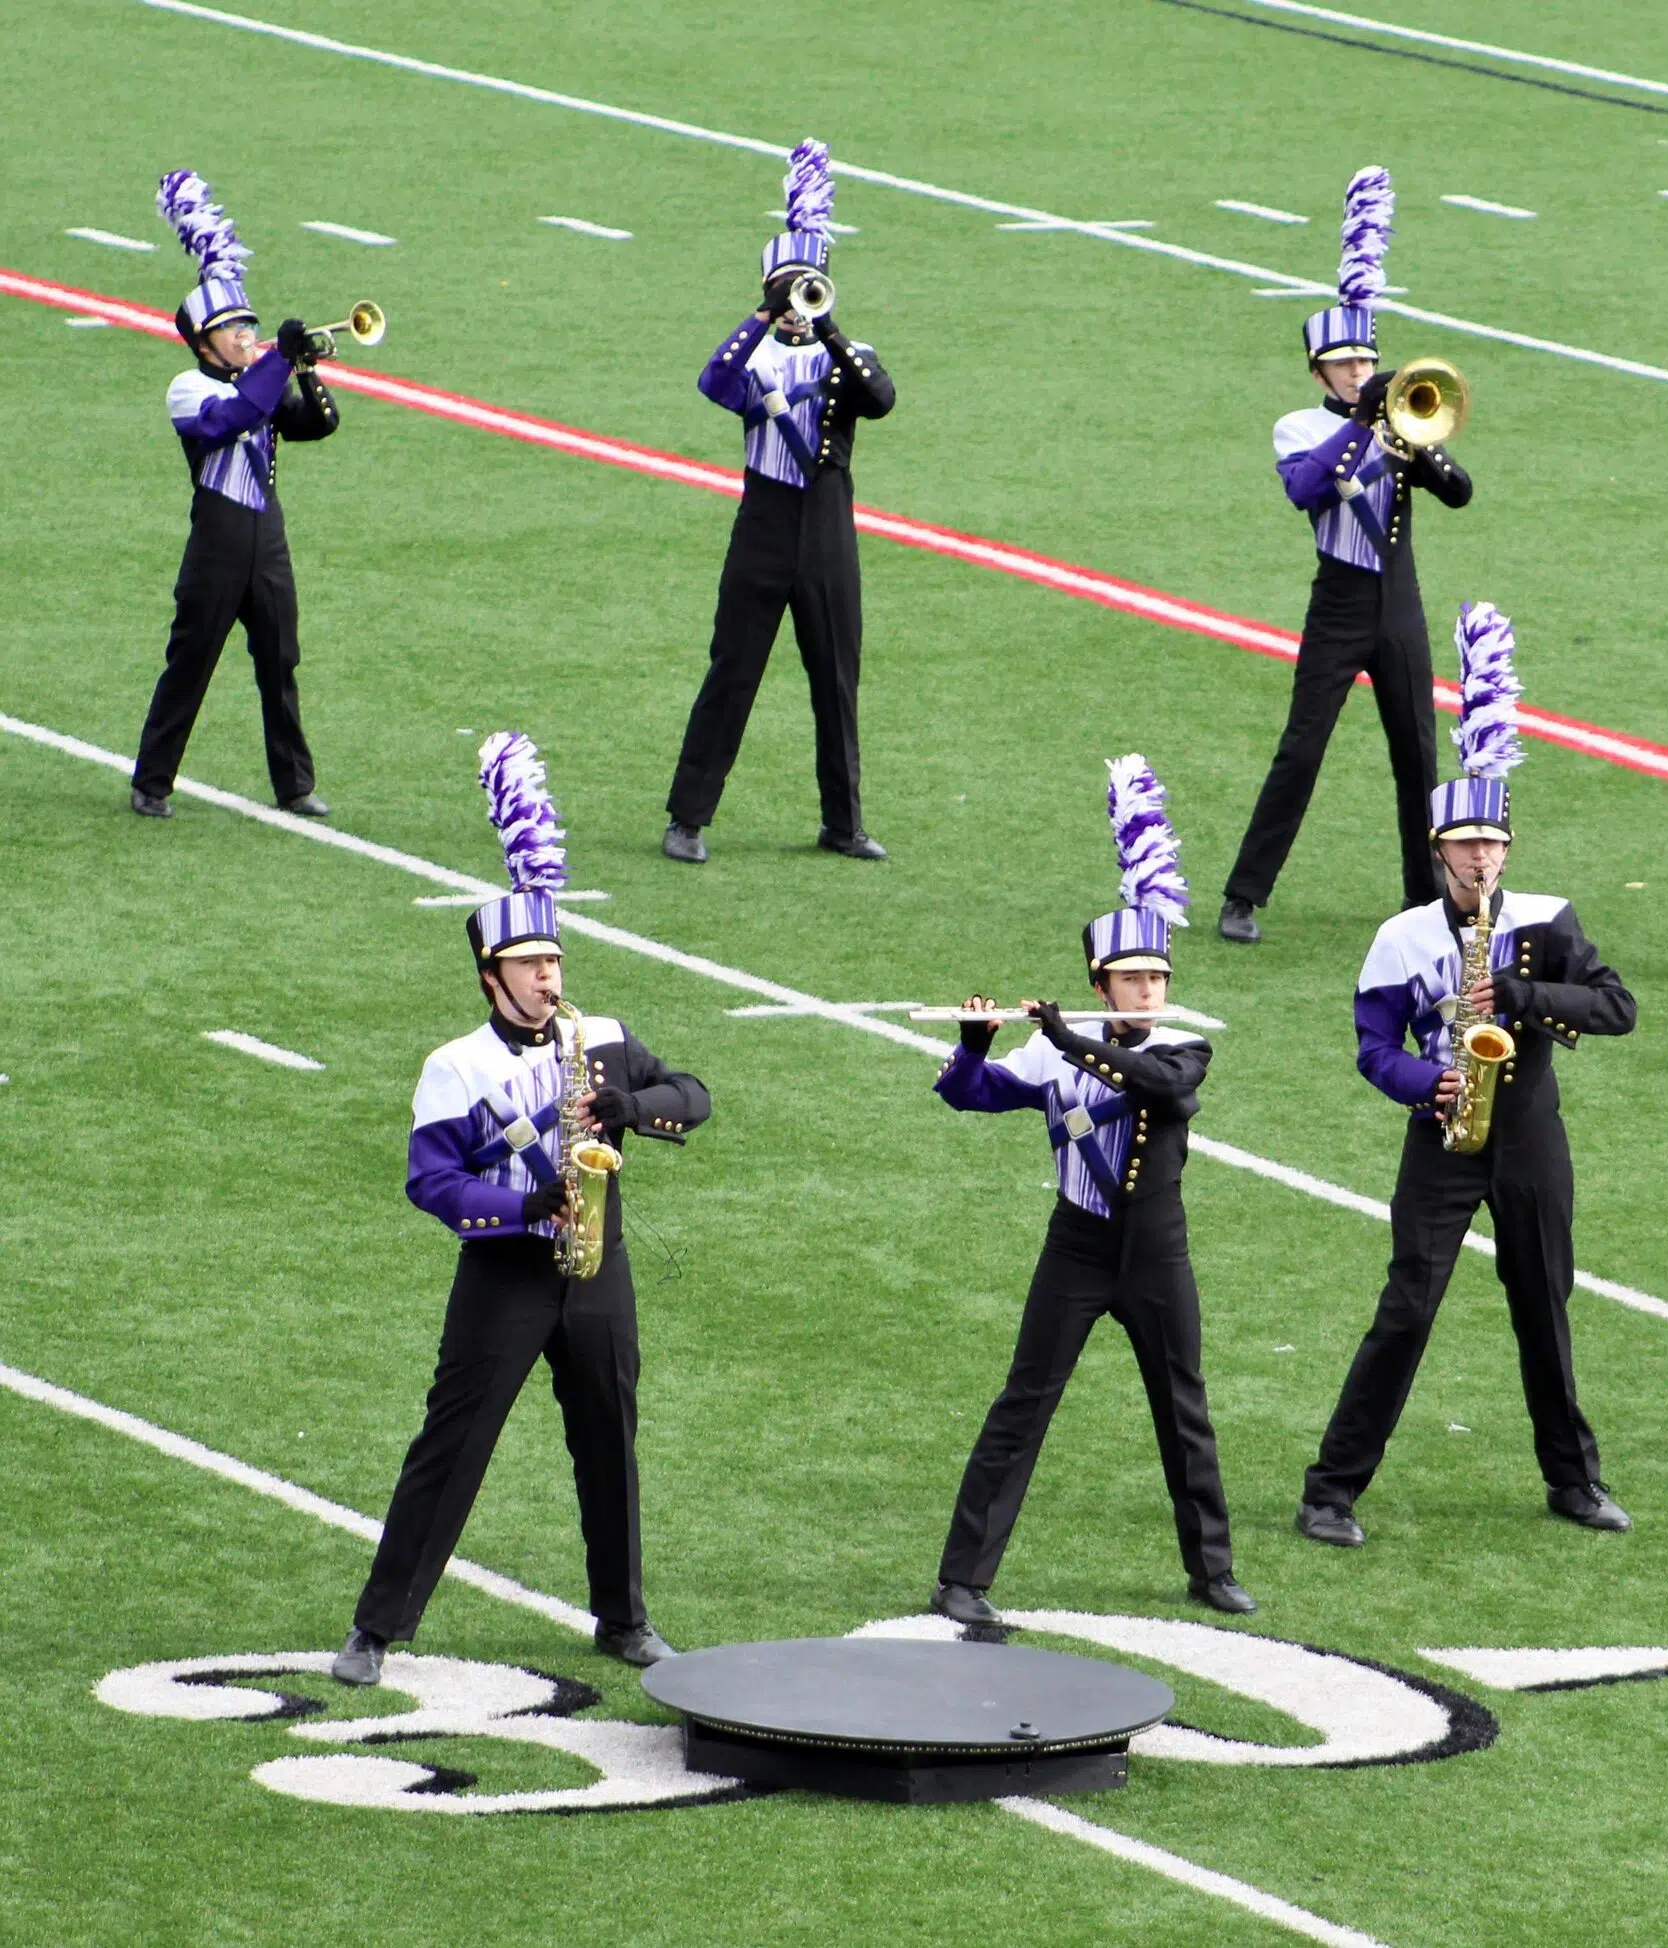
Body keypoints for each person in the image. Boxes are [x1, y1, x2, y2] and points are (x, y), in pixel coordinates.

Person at [334, 735, 709, 1685]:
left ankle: (623, 1617)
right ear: (488, 978)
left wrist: (632, 1109)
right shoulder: (455, 1065)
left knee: (609, 1442)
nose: (549, 978)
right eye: (528, 965)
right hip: (507, 1273)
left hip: (598, 1273)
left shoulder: (606, 1037)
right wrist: (525, 1201)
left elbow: (695, 1099)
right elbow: (431, 1181)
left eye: (554, 959)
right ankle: (377, 1628)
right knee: (452, 1442)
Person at [1300, 605, 1636, 1546]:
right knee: (1406, 1311)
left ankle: (1573, 1480)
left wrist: (1524, 998)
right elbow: (1372, 1046)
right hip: (1443, 1137)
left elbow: (1617, 1008)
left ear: (1506, 850)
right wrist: (1425, 1083)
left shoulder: (1547, 920)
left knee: (1545, 1311)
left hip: (1529, 1134)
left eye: (1492, 847)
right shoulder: (1400, 938)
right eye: (1464, 849)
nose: (1480, 860)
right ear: (1438, 854)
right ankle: (1331, 1489)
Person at [929, 757, 1253, 1630]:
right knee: (1024, 1401)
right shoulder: (1054, 1050)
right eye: (1132, 980)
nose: (1149, 992)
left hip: (1156, 1250)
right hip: (1076, 1246)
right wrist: (970, 1045)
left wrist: (1072, 1040)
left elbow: (1161, 1088)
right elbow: (973, 1095)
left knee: (1183, 1405)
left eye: (1157, 979)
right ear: (1101, 982)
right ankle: (963, 1575)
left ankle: (1212, 1568)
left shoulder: (1185, 1043)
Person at [1219, 166, 1471, 944]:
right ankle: (1243, 894)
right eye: (1347, 366)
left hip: (1399, 604)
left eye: (1367, 364)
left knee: (1418, 757)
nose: (1362, 373)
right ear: (1320, 372)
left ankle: (1424, 897)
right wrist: (1362, 422)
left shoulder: (1399, 420)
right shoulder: (1302, 426)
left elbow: (1459, 492)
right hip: (1338, 604)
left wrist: (1411, 441)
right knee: (1303, 748)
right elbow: (1308, 490)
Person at [664, 139, 896, 865]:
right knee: (733, 668)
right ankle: (688, 816)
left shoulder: (841, 353)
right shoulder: (754, 351)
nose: (798, 299)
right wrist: (762, 318)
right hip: (764, 518)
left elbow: (880, 397)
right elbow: (714, 381)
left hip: (827, 524)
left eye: (808, 286)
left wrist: (825, 324)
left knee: (836, 673)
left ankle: (844, 821)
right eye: (788, 287)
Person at [132, 170, 339, 821]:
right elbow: (233, 419)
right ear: (202, 343)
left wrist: (305, 371)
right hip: (217, 544)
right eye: (232, 329)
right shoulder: (189, 390)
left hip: (266, 537)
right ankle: (152, 781)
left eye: (249, 325)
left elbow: (317, 425)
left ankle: (295, 784)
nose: (246, 334)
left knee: (280, 661)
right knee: (190, 662)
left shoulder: (262, 381)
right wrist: (277, 360)